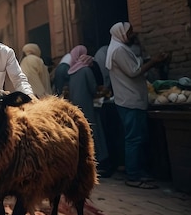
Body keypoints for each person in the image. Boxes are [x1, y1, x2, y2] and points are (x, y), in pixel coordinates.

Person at [105, 22, 169, 190]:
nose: (132, 34)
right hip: (130, 100)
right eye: (129, 32)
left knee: (137, 138)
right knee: (134, 139)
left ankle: (138, 171)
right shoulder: (118, 50)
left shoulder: (119, 47)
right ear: (121, 33)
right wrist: (154, 61)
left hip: (131, 99)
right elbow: (134, 71)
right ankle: (133, 175)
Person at [68, 45, 113, 177]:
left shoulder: (71, 72)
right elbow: (93, 89)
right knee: (95, 133)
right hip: (88, 106)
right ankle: (101, 162)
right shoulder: (86, 70)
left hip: (77, 108)